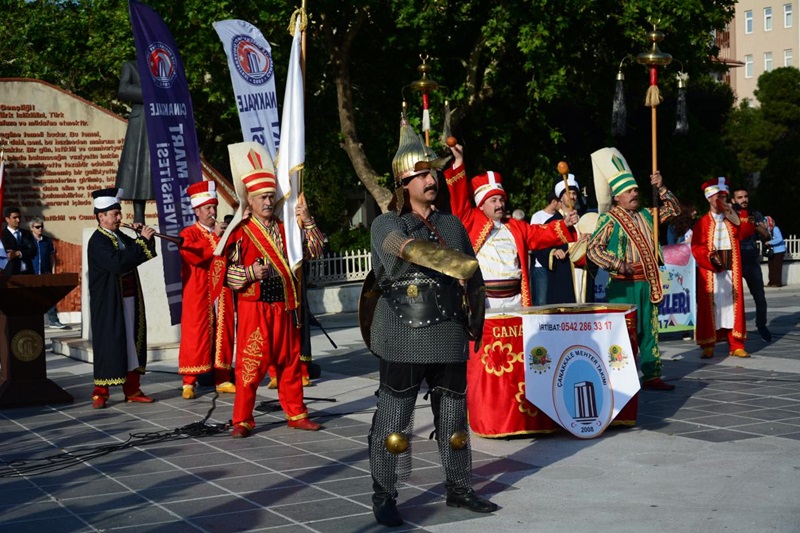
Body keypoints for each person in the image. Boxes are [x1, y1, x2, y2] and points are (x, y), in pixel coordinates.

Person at [367, 119, 497, 527]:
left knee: (455, 420)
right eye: (421, 174)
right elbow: (407, 250)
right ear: (404, 183)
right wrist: (458, 264)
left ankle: (459, 488)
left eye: (433, 172)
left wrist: (476, 315)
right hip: (403, 331)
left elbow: (473, 276)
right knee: (394, 423)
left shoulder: (452, 224)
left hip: (448, 331)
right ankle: (385, 494)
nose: (431, 179)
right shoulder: (386, 224)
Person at [218, 142, 324, 438]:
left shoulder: (285, 227)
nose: (267, 201)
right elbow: (226, 274)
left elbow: (314, 250)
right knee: (250, 367)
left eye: (270, 196)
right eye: (262, 197)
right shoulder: (241, 232)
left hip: (284, 307)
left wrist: (307, 218)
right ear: (249, 201)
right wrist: (251, 272)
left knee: (290, 364)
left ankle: (296, 413)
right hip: (256, 308)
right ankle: (242, 419)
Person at [587, 147, 681, 391]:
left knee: (649, 330)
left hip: (647, 281)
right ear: (617, 196)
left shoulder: (648, 214)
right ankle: (622, 376)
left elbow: (675, 210)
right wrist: (618, 264)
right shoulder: (609, 219)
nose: (634, 193)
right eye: (629, 191)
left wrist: (660, 187)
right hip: (622, 285)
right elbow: (593, 250)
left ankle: (652, 375)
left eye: (636, 189)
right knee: (624, 333)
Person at [444, 142, 576, 309]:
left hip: (515, 301)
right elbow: (459, 197)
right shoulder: (470, 220)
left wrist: (564, 223)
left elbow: (539, 234)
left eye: (501, 199)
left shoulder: (515, 226)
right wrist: (458, 161)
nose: (499, 204)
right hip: (485, 303)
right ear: (481, 205)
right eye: (493, 200)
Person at [87, 188, 158, 409]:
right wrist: (139, 243)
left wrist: (143, 236)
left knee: (132, 344)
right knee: (109, 343)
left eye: (119, 213)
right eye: (115, 214)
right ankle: (101, 392)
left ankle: (133, 389)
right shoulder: (98, 241)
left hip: (129, 299)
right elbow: (118, 262)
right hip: (109, 302)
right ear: (101, 216)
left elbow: (140, 254)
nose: (120, 217)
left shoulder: (119, 235)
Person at [178, 181, 235, 399]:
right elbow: (192, 255)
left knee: (224, 332)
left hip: (221, 290)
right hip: (198, 291)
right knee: (195, 334)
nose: (213, 212)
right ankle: (189, 381)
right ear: (197, 210)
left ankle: (223, 378)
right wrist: (214, 237)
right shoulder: (189, 233)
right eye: (208, 208)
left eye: (214, 207)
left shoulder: (223, 232)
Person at [691, 178, 755, 359]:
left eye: (724, 196)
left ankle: (736, 344)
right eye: (719, 196)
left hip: (731, 270)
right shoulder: (702, 223)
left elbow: (746, 231)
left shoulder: (732, 218)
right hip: (711, 271)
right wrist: (709, 257)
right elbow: (696, 247)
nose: (722, 199)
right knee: (711, 306)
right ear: (710, 198)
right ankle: (708, 343)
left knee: (733, 306)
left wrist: (734, 214)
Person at [533, 176, 591, 304]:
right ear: (560, 197)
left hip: (584, 275)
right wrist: (552, 252)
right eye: (568, 193)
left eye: (574, 193)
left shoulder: (585, 221)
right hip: (563, 275)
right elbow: (539, 246)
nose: (572, 196)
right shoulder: (551, 223)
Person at [731, 186, 772, 342]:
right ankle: (730, 330)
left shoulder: (754, 214)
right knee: (731, 298)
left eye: (746, 196)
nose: (744, 200)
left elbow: (767, 236)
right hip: (734, 262)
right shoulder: (729, 214)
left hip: (751, 259)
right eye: (740, 197)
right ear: (733, 200)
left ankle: (761, 325)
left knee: (760, 296)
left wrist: (756, 225)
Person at [114, 60, 152, 225]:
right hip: (142, 119)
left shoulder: (164, 66)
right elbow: (123, 89)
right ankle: (139, 216)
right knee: (138, 167)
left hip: (162, 118)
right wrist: (152, 93)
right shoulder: (131, 65)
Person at [29, 217, 69, 329]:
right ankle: (32, 322)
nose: (40, 229)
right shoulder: (27, 241)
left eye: (41, 226)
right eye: (37, 227)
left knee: (50, 297)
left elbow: (52, 257)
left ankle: (53, 321)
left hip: (45, 272)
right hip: (32, 273)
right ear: (32, 228)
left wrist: (53, 271)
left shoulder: (47, 241)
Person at [529, 192, 560, 305]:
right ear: (554, 202)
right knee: (542, 301)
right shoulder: (537, 217)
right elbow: (535, 241)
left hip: (556, 265)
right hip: (541, 266)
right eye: (560, 201)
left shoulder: (560, 218)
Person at [2, 206, 37, 275]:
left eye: (19, 217)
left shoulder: (26, 234)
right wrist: (24, 250)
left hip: (28, 273)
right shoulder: (2, 235)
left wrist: (18, 253)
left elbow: (33, 250)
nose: (18, 220)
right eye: (15, 218)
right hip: (10, 275)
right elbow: (7, 254)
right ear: (7, 219)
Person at [765, 216, 785, 287]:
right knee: (771, 266)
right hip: (773, 251)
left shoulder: (775, 229)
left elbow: (779, 239)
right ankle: (771, 282)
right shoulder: (769, 230)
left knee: (777, 267)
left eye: (766, 222)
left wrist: (770, 242)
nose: (765, 224)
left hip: (779, 251)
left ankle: (777, 283)